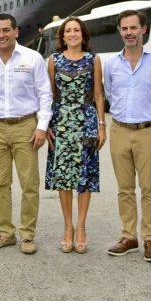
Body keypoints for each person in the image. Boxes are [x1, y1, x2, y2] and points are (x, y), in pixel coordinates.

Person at [0, 13, 53, 255]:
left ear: (16, 32)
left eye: (6, 30)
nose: (1, 35)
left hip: (25, 126)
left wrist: (42, 125)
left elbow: (45, 94)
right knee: (0, 184)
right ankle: (6, 233)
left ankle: (27, 235)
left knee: (29, 184)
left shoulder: (32, 58)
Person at [104, 9, 151, 262]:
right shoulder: (111, 64)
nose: (129, 33)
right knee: (124, 189)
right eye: (125, 28)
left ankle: (150, 239)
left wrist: (147, 115)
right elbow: (110, 94)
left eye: (134, 28)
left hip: (148, 131)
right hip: (120, 130)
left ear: (144, 29)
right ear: (120, 31)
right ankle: (128, 236)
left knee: (149, 188)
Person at [45, 17, 105, 254]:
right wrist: (46, 123)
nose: (72, 34)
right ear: (62, 36)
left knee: (85, 176)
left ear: (83, 34)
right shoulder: (54, 60)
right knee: (64, 177)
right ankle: (67, 227)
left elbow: (99, 95)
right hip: (61, 123)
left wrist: (102, 125)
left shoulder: (94, 59)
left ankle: (81, 227)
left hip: (86, 121)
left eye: (76, 30)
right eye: (68, 31)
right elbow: (50, 94)